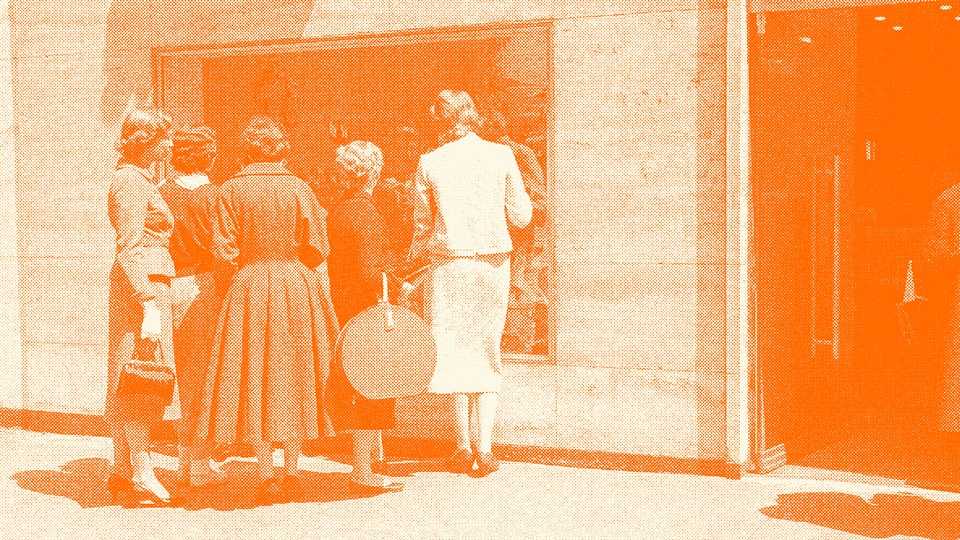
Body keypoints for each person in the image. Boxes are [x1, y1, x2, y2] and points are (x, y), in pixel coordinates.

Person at [193, 116, 339, 503]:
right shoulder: (299, 187)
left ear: (247, 150)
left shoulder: (230, 190)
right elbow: (318, 248)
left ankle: (264, 471)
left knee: (256, 374)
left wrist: (235, 280)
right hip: (296, 284)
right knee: (295, 374)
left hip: (250, 286)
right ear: (281, 149)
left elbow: (224, 252)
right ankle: (292, 469)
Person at [409, 90, 533, 476]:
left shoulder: (429, 162)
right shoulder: (502, 155)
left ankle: (462, 446)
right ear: (472, 115)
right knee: (486, 348)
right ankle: (486, 448)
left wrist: (414, 259)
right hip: (492, 262)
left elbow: (421, 225)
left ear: (441, 120)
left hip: (448, 263)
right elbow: (523, 216)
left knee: (453, 351)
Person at [105, 108, 176, 505]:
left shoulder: (136, 177)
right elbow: (129, 247)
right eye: (164, 137)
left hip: (144, 283)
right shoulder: (131, 181)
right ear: (148, 141)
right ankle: (143, 470)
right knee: (141, 377)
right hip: (142, 286)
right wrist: (148, 302)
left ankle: (121, 468)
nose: (169, 144)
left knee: (132, 372)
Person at [325, 141, 404, 494]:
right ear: (374, 173)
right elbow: (372, 272)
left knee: (357, 383)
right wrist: (401, 285)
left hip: (343, 306)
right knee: (374, 385)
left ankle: (370, 458)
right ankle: (362, 468)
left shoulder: (338, 211)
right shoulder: (367, 214)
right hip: (368, 309)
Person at [158, 126, 227, 487]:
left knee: (178, 376)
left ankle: (185, 461)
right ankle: (199, 464)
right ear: (210, 158)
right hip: (203, 285)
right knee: (200, 376)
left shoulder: (161, 192)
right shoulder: (216, 196)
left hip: (167, 285)